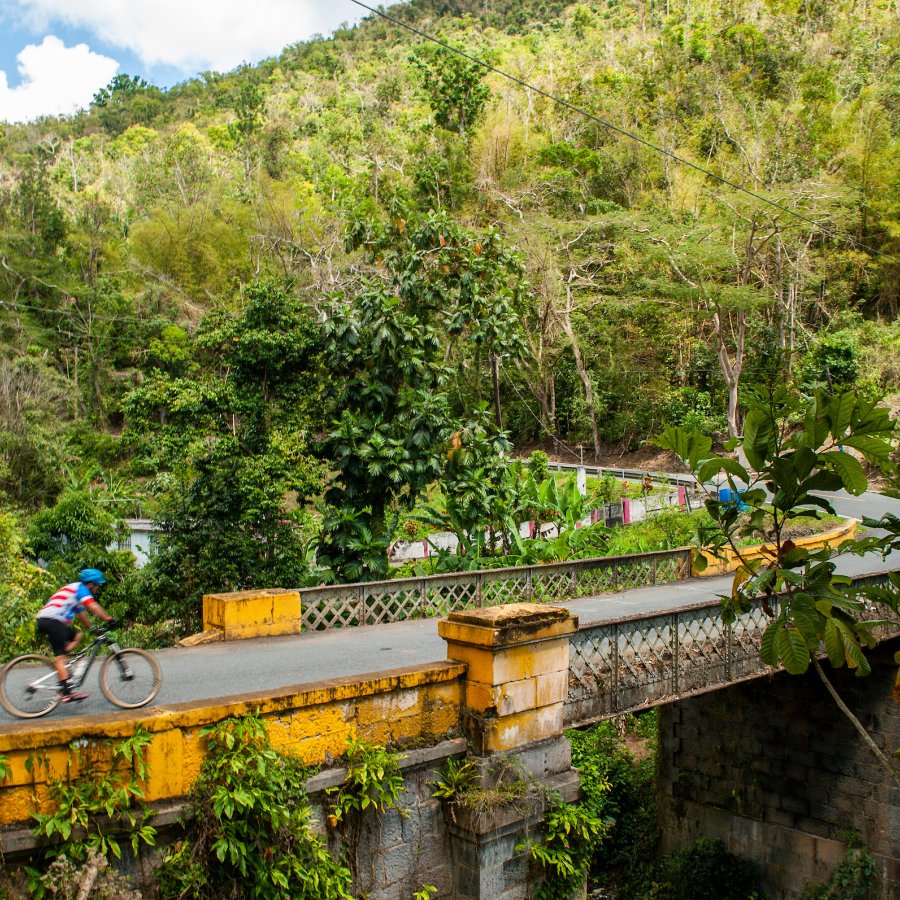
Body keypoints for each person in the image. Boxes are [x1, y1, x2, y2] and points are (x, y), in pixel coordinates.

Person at [35, 568, 116, 703]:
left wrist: (92, 629)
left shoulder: (75, 592)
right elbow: (93, 607)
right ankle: (68, 691)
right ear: (90, 584)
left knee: (77, 635)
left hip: (48, 620)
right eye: (97, 585)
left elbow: (82, 615)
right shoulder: (81, 589)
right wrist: (109, 619)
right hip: (52, 621)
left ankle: (63, 664)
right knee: (60, 657)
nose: (98, 588)